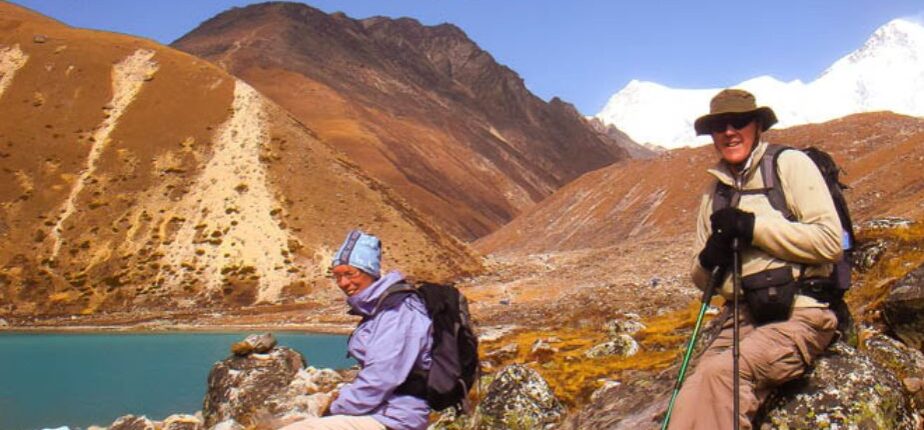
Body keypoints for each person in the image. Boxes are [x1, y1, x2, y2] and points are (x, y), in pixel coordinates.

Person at [668, 89, 842, 429]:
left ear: (758, 125)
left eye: (739, 122)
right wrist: (708, 259)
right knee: (688, 397)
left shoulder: (789, 165)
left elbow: (830, 242)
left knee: (721, 377)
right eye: (720, 125)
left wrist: (753, 227)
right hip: (742, 317)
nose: (729, 131)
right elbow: (702, 280)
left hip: (800, 314)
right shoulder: (714, 192)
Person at [282, 229, 433, 430]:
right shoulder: (381, 308)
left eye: (350, 273)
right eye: (337, 276)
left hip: (396, 418)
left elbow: (381, 378)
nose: (343, 283)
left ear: (370, 271)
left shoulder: (397, 312)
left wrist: (334, 407)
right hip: (384, 412)